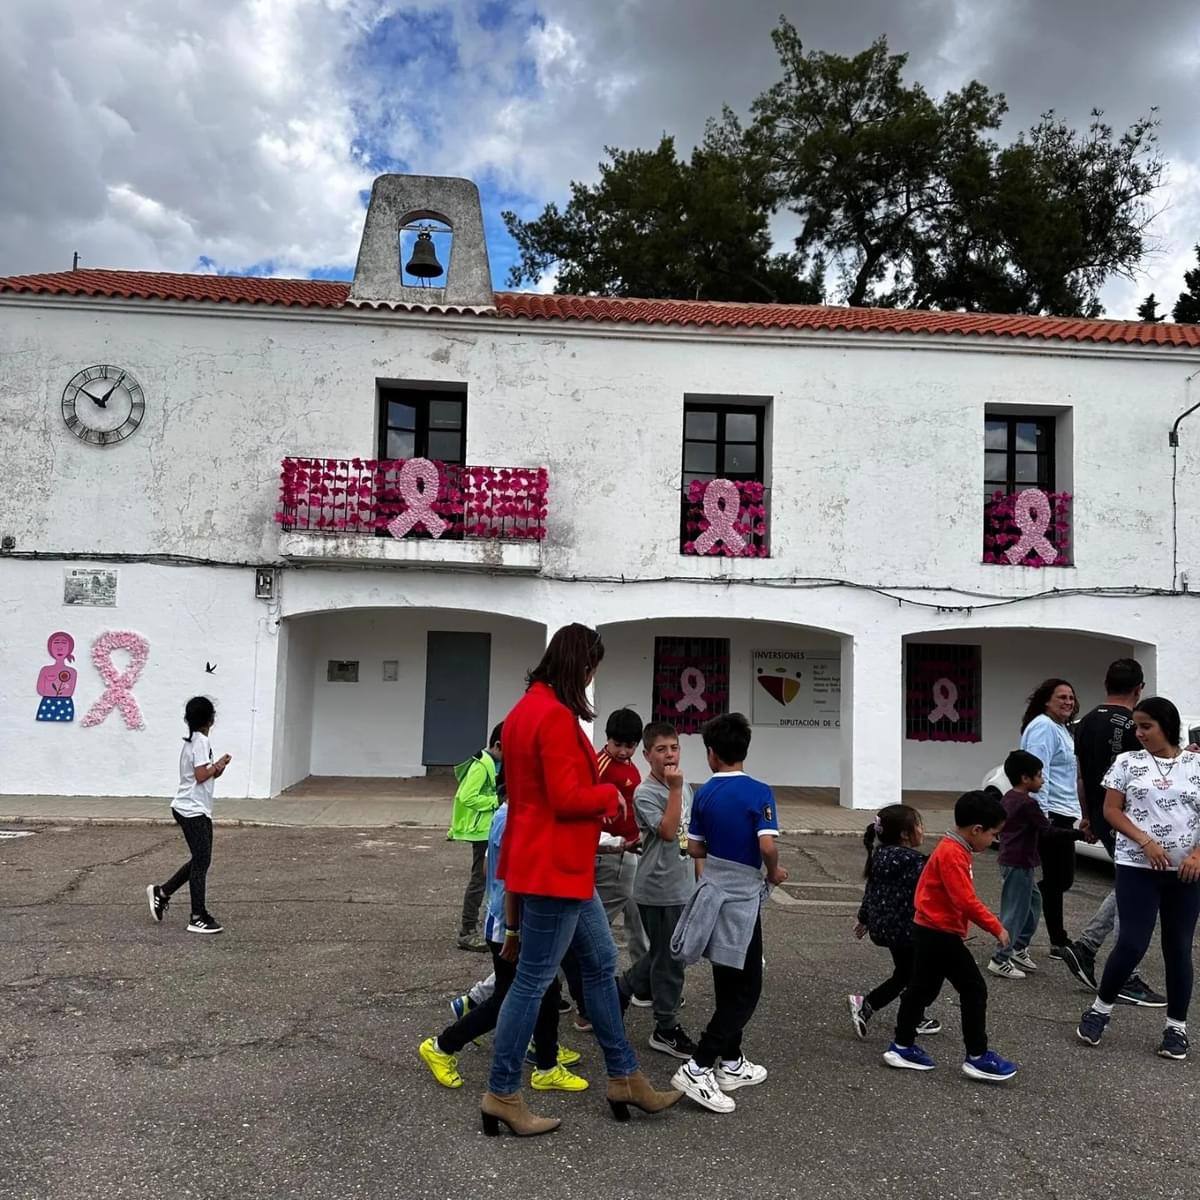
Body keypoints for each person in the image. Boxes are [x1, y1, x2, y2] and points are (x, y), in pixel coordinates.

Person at [482, 624, 680, 1137]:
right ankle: (502, 1092)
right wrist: (608, 797)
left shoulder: (526, 709)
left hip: (549, 864)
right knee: (533, 981)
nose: (592, 678)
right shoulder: (553, 715)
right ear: (580, 665)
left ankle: (625, 1077)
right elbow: (566, 796)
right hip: (556, 867)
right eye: (592, 668)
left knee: (599, 964)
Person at [419, 789, 587, 1092]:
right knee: (510, 1000)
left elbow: (490, 867)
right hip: (510, 926)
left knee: (546, 991)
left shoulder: (507, 814)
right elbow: (513, 879)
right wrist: (512, 931)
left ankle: (547, 1062)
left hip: (514, 922)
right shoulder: (514, 820)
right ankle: (442, 1046)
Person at [669, 712, 787, 1115]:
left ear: (711, 754)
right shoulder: (760, 792)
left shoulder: (704, 794)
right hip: (741, 898)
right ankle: (699, 1065)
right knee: (748, 988)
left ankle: (732, 1062)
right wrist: (775, 872)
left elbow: (694, 847)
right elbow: (767, 845)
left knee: (726, 976)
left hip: (711, 891)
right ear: (744, 751)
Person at [1076, 697, 1200, 1060]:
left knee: (1178, 948)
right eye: (1137, 726)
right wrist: (1145, 841)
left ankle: (1176, 1028)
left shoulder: (1195, 764)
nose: (1139, 733)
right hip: (1137, 868)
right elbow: (1111, 810)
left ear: (1167, 725)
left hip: (1186, 873)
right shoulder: (1127, 762)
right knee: (1131, 942)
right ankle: (1099, 1010)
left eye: (1146, 726)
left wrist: (1196, 854)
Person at [884, 789, 1018, 1082]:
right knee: (973, 989)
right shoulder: (953, 854)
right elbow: (965, 900)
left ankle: (902, 1046)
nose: (994, 840)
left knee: (921, 989)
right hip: (939, 933)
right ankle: (977, 1056)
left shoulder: (953, 848)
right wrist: (996, 926)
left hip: (929, 929)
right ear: (977, 829)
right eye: (993, 834)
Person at [1061, 659, 1167, 1006]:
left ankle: (1087, 946)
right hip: (1132, 818)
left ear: (1106, 683)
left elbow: (1081, 776)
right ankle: (1125, 975)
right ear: (1139, 688)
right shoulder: (1136, 725)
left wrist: (1087, 816)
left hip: (1103, 814)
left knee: (1128, 883)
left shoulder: (1085, 722)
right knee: (1137, 889)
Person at [620, 722, 698, 1059]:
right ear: (647, 754)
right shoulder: (646, 792)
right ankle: (665, 1027)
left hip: (683, 884)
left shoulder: (684, 787)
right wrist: (675, 789)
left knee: (666, 954)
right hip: (658, 887)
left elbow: (689, 837)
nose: (669, 755)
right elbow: (667, 831)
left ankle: (621, 989)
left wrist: (699, 881)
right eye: (661, 749)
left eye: (674, 748)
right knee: (670, 959)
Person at [848, 804, 942, 1040]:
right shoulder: (915, 862)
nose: (922, 829)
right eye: (919, 824)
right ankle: (873, 1005)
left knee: (908, 973)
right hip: (908, 930)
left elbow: (871, 890)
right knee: (920, 975)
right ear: (904, 834)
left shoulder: (880, 856)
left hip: (887, 929)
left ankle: (912, 1014)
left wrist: (864, 918)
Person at [988, 750, 1078, 979]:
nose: (1043, 780)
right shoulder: (1027, 804)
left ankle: (1018, 946)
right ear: (1025, 778)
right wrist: (1078, 834)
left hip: (1016, 861)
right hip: (1018, 863)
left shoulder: (1009, 798)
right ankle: (1000, 958)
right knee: (1015, 912)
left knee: (1034, 903)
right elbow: (1047, 832)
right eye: (1039, 775)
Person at [145, 696, 231, 935]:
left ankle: (162, 893)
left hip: (194, 807)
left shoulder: (193, 741)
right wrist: (215, 767)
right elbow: (201, 775)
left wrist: (218, 767)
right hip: (192, 809)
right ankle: (197, 916)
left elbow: (204, 774)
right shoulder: (201, 741)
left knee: (200, 860)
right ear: (210, 719)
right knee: (202, 861)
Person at [1019, 678, 1082, 957]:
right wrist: (1040, 816)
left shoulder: (1062, 728)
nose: (1068, 702)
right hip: (1051, 812)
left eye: (1071, 697)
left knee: (1060, 879)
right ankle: (1057, 940)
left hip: (1064, 811)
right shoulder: (1043, 727)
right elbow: (1037, 772)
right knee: (1058, 879)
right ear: (1046, 701)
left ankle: (1050, 933)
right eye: (1061, 697)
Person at [595, 708, 649, 964]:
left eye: (630, 746)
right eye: (618, 745)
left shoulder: (631, 767)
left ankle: (643, 978)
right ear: (607, 738)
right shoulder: (601, 765)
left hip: (633, 851)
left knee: (640, 921)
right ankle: (555, 979)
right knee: (594, 924)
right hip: (611, 856)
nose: (623, 751)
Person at [448, 723, 503, 952]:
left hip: (487, 828)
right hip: (480, 830)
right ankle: (467, 931)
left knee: (488, 877)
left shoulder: (493, 761)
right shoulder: (482, 765)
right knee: (479, 879)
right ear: (498, 745)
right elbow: (466, 796)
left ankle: (477, 925)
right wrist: (496, 801)